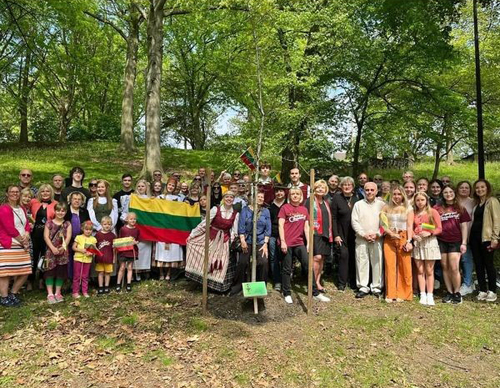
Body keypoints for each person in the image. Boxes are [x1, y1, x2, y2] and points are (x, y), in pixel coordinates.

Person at [278, 188, 330, 304]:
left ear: (300, 195)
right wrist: (282, 241)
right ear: (290, 196)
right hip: (287, 243)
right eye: (292, 194)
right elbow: (280, 225)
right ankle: (286, 293)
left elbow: (306, 228)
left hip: (299, 243)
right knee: (287, 268)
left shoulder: (304, 209)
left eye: (297, 194)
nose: (295, 196)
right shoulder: (284, 208)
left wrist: (309, 243)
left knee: (308, 266)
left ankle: (315, 292)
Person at [185, 191, 239, 292]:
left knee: (221, 261)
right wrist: (192, 235)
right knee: (206, 257)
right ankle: (202, 283)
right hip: (210, 237)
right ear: (223, 198)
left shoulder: (235, 214)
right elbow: (204, 224)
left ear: (233, 200)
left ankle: (215, 287)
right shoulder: (215, 209)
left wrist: (231, 243)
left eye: (231, 197)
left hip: (224, 240)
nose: (229, 199)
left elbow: (234, 231)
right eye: (227, 197)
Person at [230, 192, 271, 295]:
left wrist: (265, 243)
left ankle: (261, 287)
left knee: (263, 261)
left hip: (261, 241)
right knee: (243, 262)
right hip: (247, 239)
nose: (261, 198)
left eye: (262, 196)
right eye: (259, 196)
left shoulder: (266, 211)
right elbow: (241, 226)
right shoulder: (245, 210)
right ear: (253, 198)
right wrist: (243, 240)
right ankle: (238, 287)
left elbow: (268, 228)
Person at [435, 186, 470, 304]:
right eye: (445, 192)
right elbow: (431, 223)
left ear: (454, 193)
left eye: (450, 192)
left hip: (455, 241)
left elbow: (464, 226)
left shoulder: (460, 208)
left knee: (454, 267)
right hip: (441, 240)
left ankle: (457, 293)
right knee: (445, 266)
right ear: (442, 194)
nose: (448, 194)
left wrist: (464, 242)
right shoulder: (437, 208)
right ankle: (449, 292)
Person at [351, 182, 385, 298]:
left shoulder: (382, 205)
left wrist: (378, 234)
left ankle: (376, 287)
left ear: (376, 191)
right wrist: (363, 234)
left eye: (372, 190)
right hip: (361, 239)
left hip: (377, 239)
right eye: (367, 190)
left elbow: (385, 223)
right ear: (363, 191)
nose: (369, 192)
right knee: (362, 262)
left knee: (377, 262)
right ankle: (363, 287)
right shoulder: (358, 205)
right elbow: (354, 221)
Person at [380, 186, 414, 302]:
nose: (397, 196)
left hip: (403, 237)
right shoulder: (386, 207)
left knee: (404, 265)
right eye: (394, 194)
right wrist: (389, 233)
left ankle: (404, 293)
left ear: (403, 195)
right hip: (390, 237)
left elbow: (410, 226)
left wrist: (409, 241)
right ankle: (390, 294)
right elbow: (382, 223)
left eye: (399, 194)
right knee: (390, 265)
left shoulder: (408, 208)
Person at [0, 185, 31, 307]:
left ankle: (13, 293)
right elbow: (9, 228)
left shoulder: (21, 208)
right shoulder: (3, 208)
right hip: (9, 243)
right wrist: (22, 240)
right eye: (12, 192)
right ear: (7, 194)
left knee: (25, 270)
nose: (15, 194)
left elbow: (27, 224)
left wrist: (27, 234)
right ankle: (4, 297)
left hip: (22, 243)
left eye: (17, 192)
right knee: (6, 272)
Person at [470, 179, 499, 302]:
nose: (480, 189)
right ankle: (482, 290)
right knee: (478, 264)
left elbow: (497, 220)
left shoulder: (492, 201)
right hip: (474, 239)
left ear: (487, 188)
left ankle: (492, 291)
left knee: (488, 264)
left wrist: (495, 238)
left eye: (482, 187)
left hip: (487, 238)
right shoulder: (476, 205)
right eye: (477, 188)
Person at [412, 192, 442, 306]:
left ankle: (430, 294)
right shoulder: (413, 213)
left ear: (426, 201)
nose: (420, 202)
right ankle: (422, 293)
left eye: (422, 200)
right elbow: (411, 227)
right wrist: (414, 235)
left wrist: (429, 233)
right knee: (420, 270)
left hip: (429, 242)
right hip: (418, 243)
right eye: (418, 200)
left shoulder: (432, 212)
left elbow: (439, 228)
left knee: (429, 270)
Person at [330, 176, 359, 291]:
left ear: (353, 187)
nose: (347, 187)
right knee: (343, 256)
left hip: (355, 234)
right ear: (341, 187)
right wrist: (336, 234)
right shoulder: (337, 199)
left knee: (353, 257)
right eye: (344, 185)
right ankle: (342, 282)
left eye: (349, 185)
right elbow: (334, 218)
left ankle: (352, 281)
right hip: (341, 233)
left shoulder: (357, 199)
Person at [305, 180, 333, 293]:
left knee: (322, 259)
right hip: (314, 233)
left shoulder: (327, 202)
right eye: (318, 187)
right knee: (316, 257)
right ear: (314, 189)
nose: (320, 189)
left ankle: (317, 281)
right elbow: (306, 218)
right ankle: (312, 283)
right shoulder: (309, 201)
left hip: (326, 233)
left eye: (322, 188)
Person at [29, 184, 57, 289]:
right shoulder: (33, 202)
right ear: (39, 193)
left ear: (51, 193)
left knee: (45, 258)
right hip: (34, 234)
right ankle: (30, 281)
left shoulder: (55, 204)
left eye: (47, 191)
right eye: (43, 191)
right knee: (33, 258)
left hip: (47, 235)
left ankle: (42, 280)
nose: (45, 193)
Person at [155, 179, 184, 280]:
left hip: (173, 228)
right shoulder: (160, 197)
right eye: (169, 185)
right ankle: (161, 272)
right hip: (162, 227)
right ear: (166, 185)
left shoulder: (178, 199)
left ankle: (168, 273)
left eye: (173, 185)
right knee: (161, 249)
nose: (171, 187)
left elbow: (181, 212)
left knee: (172, 250)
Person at [43, 202, 72, 304]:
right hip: (50, 251)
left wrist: (63, 248)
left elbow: (68, 237)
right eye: (58, 210)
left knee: (61, 272)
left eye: (63, 210)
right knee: (49, 272)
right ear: (55, 211)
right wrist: (52, 248)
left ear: (65, 212)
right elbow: (46, 236)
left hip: (62, 252)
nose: (60, 212)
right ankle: (50, 293)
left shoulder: (67, 224)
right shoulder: (49, 223)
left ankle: (58, 292)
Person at [64, 192, 90, 281]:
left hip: (81, 241)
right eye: (75, 199)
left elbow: (88, 225)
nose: (77, 201)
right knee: (68, 261)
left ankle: (79, 281)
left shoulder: (84, 212)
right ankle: (68, 280)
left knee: (79, 261)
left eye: (79, 199)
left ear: (82, 201)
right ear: (70, 200)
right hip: (68, 240)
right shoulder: (66, 211)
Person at [456, 181, 475, 296]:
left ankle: (468, 283)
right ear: (457, 189)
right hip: (454, 235)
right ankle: (461, 281)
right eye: (461, 187)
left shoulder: (473, 202)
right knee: (457, 260)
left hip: (469, 234)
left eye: (466, 188)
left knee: (466, 259)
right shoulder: (454, 202)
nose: (464, 189)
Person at [268, 185, 287, 291]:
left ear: (284, 192)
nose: (279, 193)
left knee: (285, 257)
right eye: (277, 191)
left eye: (281, 191)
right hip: (273, 235)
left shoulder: (288, 204)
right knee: (273, 257)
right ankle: (277, 281)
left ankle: (286, 279)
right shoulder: (270, 205)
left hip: (286, 235)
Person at [72, 221, 97, 298]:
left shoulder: (93, 239)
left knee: (85, 276)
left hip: (87, 260)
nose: (88, 231)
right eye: (86, 229)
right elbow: (73, 247)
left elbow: (94, 250)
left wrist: (91, 253)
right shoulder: (78, 237)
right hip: (78, 259)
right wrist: (81, 250)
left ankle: (84, 291)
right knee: (77, 276)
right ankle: (75, 292)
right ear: (83, 229)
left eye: (90, 230)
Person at [116, 212, 139, 292]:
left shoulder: (136, 229)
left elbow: (138, 240)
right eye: (131, 219)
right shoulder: (123, 229)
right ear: (127, 220)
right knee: (122, 267)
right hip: (123, 251)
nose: (133, 220)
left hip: (132, 252)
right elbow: (119, 240)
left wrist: (135, 242)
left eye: (134, 219)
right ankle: (118, 284)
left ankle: (128, 284)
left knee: (130, 268)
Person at [95, 216, 116, 295]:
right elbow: (94, 247)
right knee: (100, 273)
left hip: (109, 257)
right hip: (100, 258)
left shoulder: (112, 236)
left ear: (111, 225)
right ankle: (100, 287)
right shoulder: (98, 235)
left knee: (107, 273)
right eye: (105, 224)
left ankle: (106, 286)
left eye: (109, 224)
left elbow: (114, 248)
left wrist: (114, 258)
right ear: (101, 224)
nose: (107, 226)